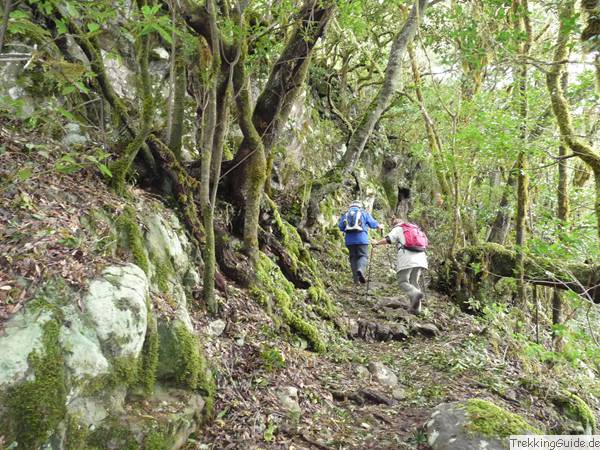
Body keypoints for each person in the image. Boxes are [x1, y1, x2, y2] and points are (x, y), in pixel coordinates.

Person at [373, 218, 428, 314]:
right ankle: (416, 309)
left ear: (394, 224)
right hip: (421, 258)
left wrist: (376, 243)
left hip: (407, 258)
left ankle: (415, 294)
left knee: (403, 281)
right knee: (414, 282)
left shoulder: (399, 228)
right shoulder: (415, 228)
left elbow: (389, 239)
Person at [338, 200, 383, 284]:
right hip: (362, 239)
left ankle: (356, 280)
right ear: (360, 206)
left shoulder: (346, 214)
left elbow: (340, 227)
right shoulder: (363, 213)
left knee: (353, 258)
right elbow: (373, 224)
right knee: (363, 256)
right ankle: (361, 269)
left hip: (349, 241)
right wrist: (379, 226)